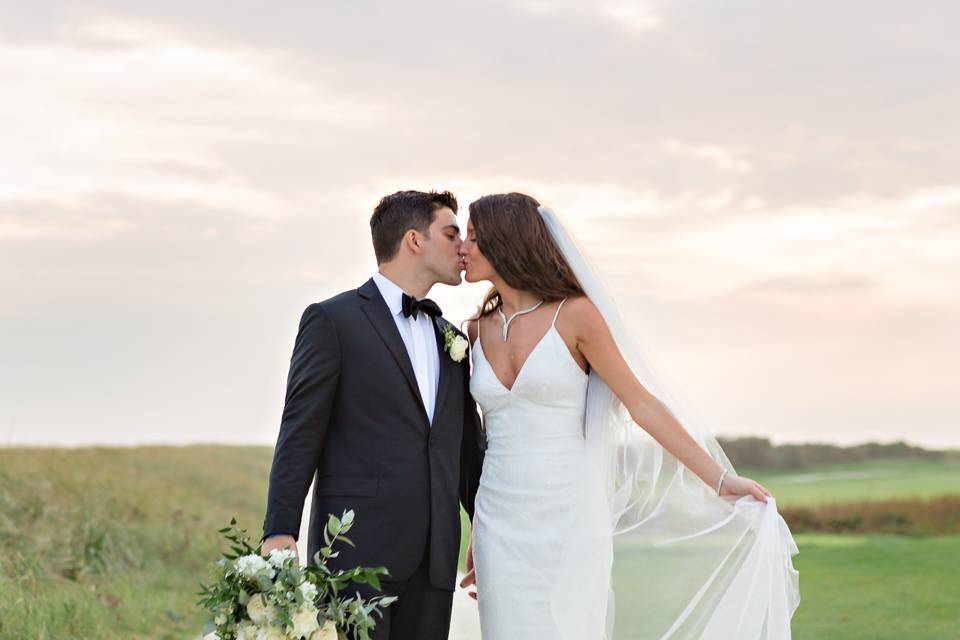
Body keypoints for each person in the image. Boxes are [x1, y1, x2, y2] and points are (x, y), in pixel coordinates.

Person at [458, 192, 800, 639]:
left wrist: (720, 479)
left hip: (568, 512)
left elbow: (640, 404)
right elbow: (487, 431)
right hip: (498, 518)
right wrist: (478, 528)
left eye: (474, 237)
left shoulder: (576, 316)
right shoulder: (474, 329)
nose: (463, 246)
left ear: (506, 243)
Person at [260, 190, 485, 640]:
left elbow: (465, 451)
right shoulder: (333, 321)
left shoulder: (450, 338)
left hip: (435, 559)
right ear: (414, 241)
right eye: (451, 232)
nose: (462, 246)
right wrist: (279, 529)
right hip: (355, 554)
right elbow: (300, 431)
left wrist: (485, 524)